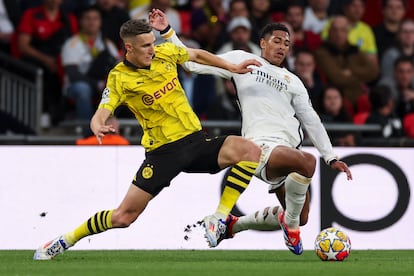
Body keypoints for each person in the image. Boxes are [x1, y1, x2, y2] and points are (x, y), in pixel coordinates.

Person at [33, 18, 263, 260]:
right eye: (145, 46)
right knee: (123, 217)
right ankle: (64, 240)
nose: (152, 49)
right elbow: (103, 109)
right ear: (129, 48)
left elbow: (195, 55)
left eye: (153, 43)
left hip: (196, 142)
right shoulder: (119, 77)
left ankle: (218, 218)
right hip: (163, 154)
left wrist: (231, 68)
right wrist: (97, 124)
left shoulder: (165, 52)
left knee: (249, 151)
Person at [151, 9, 352, 253]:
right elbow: (192, 64)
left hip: (287, 151)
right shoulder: (242, 59)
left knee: (301, 216)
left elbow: (311, 120)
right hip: (260, 147)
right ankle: (290, 229)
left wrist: (331, 156)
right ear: (262, 43)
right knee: (308, 162)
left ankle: (234, 226)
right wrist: (166, 31)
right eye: (277, 41)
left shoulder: (293, 80)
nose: (282, 47)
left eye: (287, 44)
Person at [16, 0, 78, 126]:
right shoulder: (31, 15)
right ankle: (41, 117)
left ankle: (63, 119)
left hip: (60, 64)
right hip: (36, 64)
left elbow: (74, 44)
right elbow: (23, 46)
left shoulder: (68, 18)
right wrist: (45, 59)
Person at [61, 5, 120, 121]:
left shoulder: (108, 44)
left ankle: (113, 127)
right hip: (76, 86)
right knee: (83, 89)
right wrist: (97, 84)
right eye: (88, 18)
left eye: (95, 19)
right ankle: (88, 129)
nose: (91, 22)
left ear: (100, 22)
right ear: (81, 22)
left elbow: (118, 67)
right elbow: (72, 74)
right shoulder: (72, 43)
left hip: (102, 85)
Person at [314, 15, 379, 108]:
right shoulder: (322, 52)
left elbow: (374, 71)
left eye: (342, 30)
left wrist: (351, 72)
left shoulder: (354, 50)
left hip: (359, 99)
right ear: (329, 32)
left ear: (347, 32)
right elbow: (338, 78)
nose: (338, 34)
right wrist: (360, 78)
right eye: (335, 30)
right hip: (336, 101)